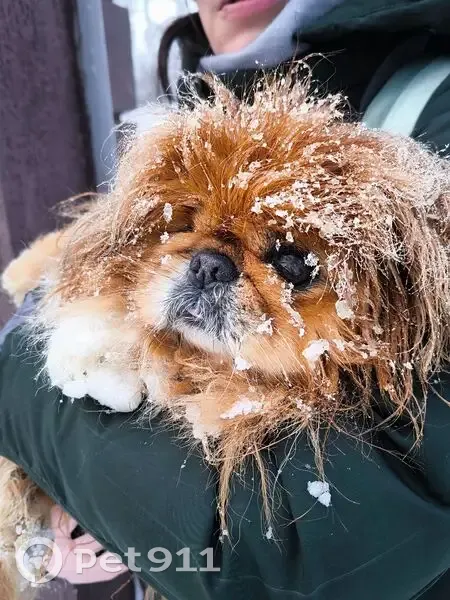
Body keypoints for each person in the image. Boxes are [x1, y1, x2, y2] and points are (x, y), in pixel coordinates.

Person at [1, 1, 450, 599]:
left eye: (290, 262)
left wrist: (19, 380)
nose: (209, 268)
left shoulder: (434, 117)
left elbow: (285, 557)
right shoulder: (183, 113)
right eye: (184, 225)